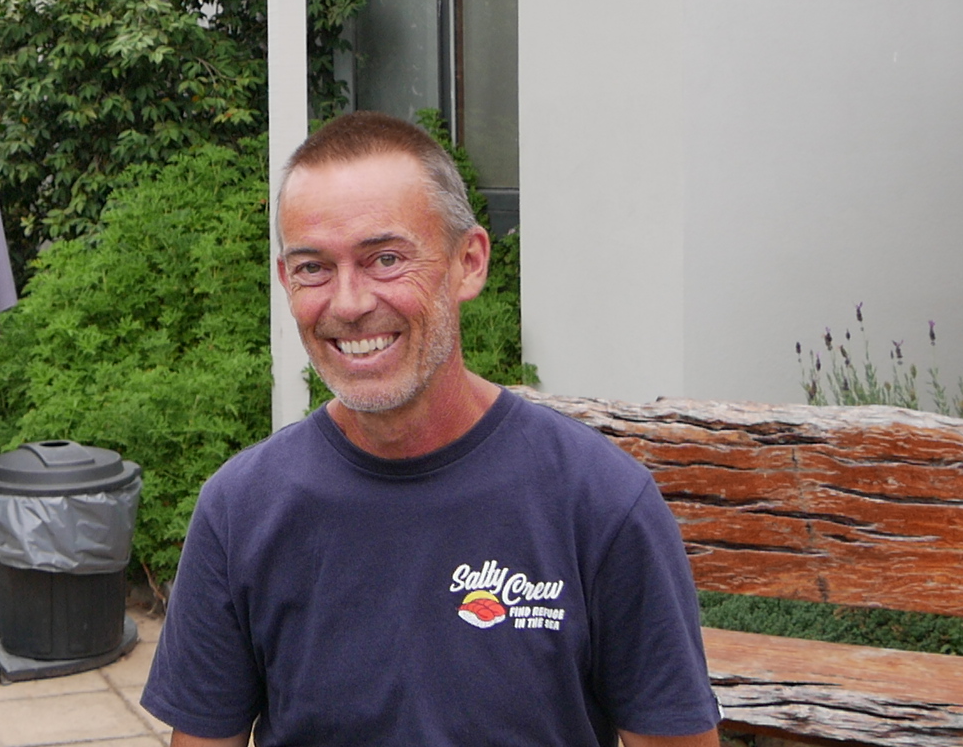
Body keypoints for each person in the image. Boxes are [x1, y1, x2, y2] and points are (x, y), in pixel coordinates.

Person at [140, 113, 720, 747]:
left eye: (385, 258)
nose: (349, 302)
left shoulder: (599, 503)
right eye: (313, 268)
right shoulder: (241, 510)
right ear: (285, 282)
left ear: (467, 262)